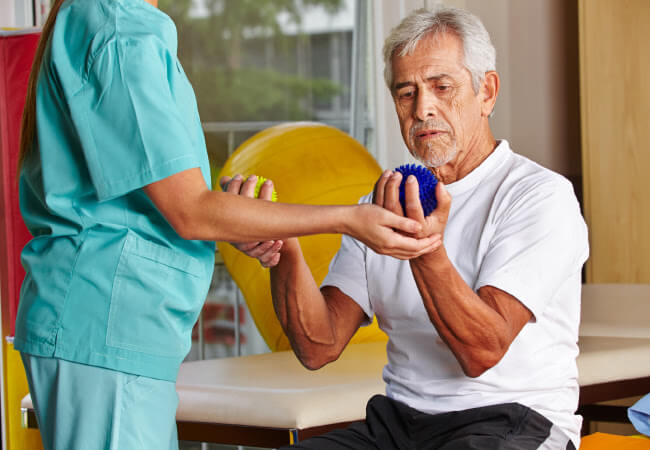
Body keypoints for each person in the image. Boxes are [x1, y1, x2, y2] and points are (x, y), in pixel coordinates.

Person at [13, 1, 439, 449]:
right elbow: (190, 211)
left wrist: (246, 222)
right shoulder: (120, 29)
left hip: (113, 328)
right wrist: (351, 219)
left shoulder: (116, 24)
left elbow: (169, 206)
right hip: (104, 324)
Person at [242, 6, 589, 450]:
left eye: (442, 87)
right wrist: (283, 247)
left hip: (513, 421)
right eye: (406, 93)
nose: (423, 108)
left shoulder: (540, 196)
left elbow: (482, 351)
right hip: (400, 425)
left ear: (487, 92)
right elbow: (318, 345)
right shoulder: (377, 204)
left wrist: (423, 246)